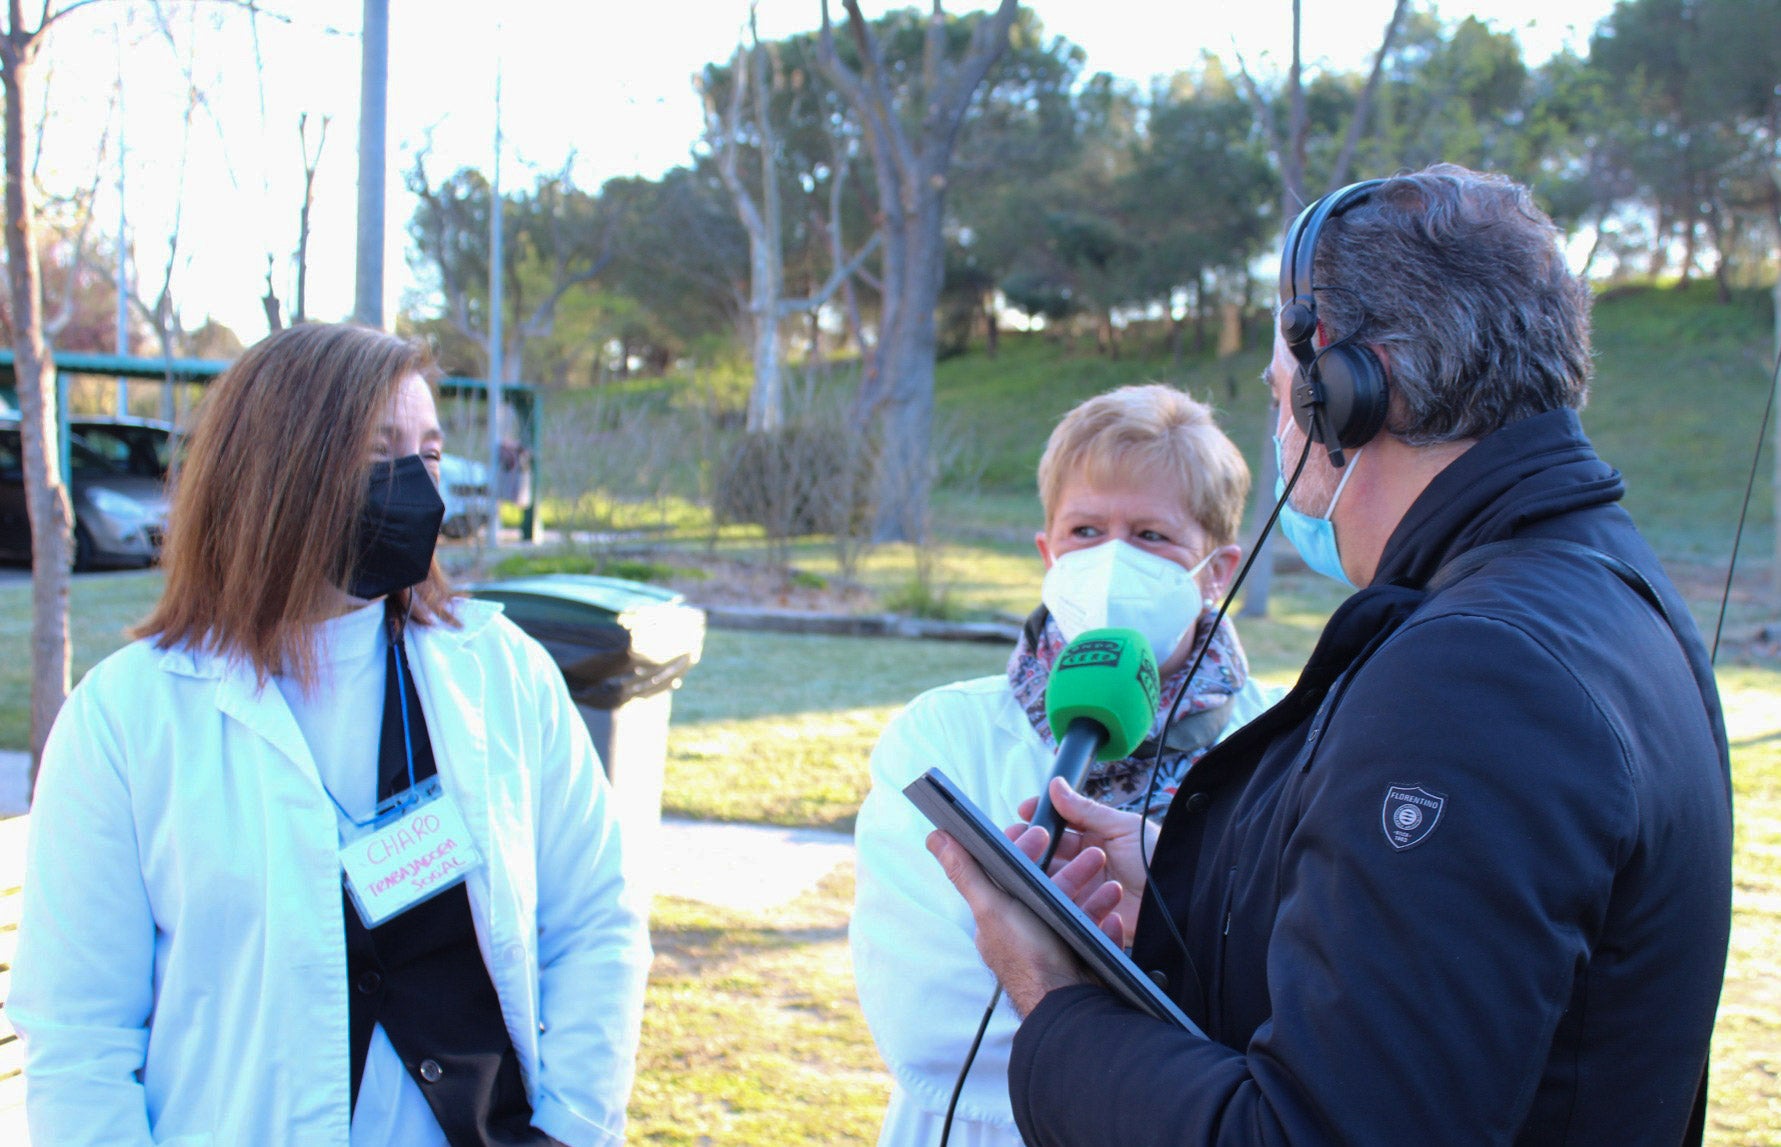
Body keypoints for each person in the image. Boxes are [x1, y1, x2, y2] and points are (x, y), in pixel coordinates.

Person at [930, 165, 1733, 1145]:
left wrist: (1054, 1001)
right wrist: (1184, 878)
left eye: (1281, 399)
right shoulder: (1611, 588)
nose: (1279, 434)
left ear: (1349, 394)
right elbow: (1451, 979)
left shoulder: (1478, 671)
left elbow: (1314, 1130)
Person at [10, 323, 652, 1147]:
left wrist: (571, 1127)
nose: (416, 485)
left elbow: (595, 917)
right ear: (276, 471)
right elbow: (79, 1033)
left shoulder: (500, 672)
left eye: (427, 453)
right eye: (379, 451)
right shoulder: (126, 718)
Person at [852, 384, 1277, 1147]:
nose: (1111, 560)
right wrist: (1192, 1055)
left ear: (1217, 569)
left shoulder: (1287, 742)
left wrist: (1041, 979)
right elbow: (929, 1018)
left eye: (1150, 535)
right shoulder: (941, 735)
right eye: (1085, 529)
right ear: (1047, 552)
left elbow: (1303, 1018)